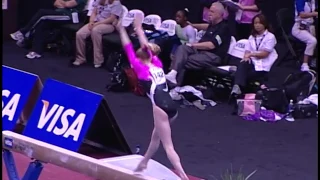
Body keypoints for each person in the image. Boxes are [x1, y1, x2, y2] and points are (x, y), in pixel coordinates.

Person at [116, 15, 189, 180]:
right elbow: (145, 45)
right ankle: (144, 163)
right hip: (172, 106)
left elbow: (127, 46)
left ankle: (184, 177)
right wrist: (139, 28)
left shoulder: (140, 68)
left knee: (168, 146)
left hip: (160, 108)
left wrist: (121, 29)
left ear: (139, 57)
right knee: (155, 137)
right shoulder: (157, 63)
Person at [165, 2, 232, 86]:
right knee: (182, 48)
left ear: (219, 14)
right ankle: (173, 74)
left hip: (213, 56)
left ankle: (174, 85)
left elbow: (211, 45)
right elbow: (205, 26)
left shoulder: (224, 28)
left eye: (212, 12)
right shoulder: (213, 24)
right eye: (209, 11)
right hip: (200, 53)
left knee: (182, 59)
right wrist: (192, 25)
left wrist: (193, 45)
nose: (209, 13)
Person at [10, 0, 86, 59]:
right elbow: (56, 3)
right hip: (58, 14)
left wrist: (65, 4)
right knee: (42, 23)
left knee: (42, 12)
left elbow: (68, 4)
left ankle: (23, 33)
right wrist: (65, 4)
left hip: (70, 16)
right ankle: (37, 52)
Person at [230, 14, 278, 96]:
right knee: (243, 63)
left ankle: (238, 86)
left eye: (259, 23)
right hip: (254, 63)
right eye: (255, 23)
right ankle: (237, 87)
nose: (257, 25)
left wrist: (250, 55)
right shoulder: (251, 37)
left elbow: (264, 54)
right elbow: (247, 51)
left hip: (265, 65)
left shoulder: (270, 37)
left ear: (264, 24)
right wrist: (246, 57)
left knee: (241, 73)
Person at [73, 0, 122, 68]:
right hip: (96, 22)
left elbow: (111, 19)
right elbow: (94, 12)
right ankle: (80, 58)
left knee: (96, 31)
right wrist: (91, 22)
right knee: (80, 34)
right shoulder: (99, 1)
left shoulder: (116, 3)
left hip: (109, 25)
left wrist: (96, 24)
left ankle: (98, 60)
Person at [292, 0, 318, 71]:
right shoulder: (300, 1)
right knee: (312, 41)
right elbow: (302, 15)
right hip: (299, 27)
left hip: (310, 26)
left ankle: (313, 59)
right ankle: (304, 64)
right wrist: (314, 14)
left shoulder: (313, 1)